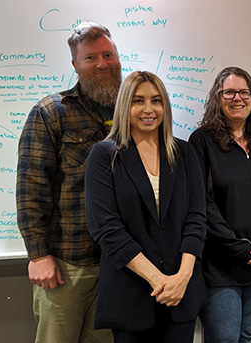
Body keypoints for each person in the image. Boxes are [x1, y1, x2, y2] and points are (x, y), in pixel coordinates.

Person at [16, 22, 121, 343]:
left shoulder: (135, 110)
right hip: (67, 263)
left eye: (108, 54)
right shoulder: (52, 112)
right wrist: (38, 255)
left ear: (118, 57)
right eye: (91, 58)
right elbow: (31, 188)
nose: (102, 63)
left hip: (119, 263)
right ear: (75, 65)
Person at [84, 71, 208, 342]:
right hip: (131, 297)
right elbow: (106, 228)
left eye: (156, 100)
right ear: (125, 106)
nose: (149, 110)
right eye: (138, 101)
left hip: (181, 294)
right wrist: (159, 281)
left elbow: (197, 218)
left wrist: (182, 277)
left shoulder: (185, 154)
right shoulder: (104, 156)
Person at [188, 66, 251, 343]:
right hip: (220, 264)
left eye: (243, 92)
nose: (237, 98)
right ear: (217, 98)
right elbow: (200, 201)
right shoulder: (202, 141)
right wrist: (235, 245)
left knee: (245, 336)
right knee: (224, 339)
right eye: (229, 92)